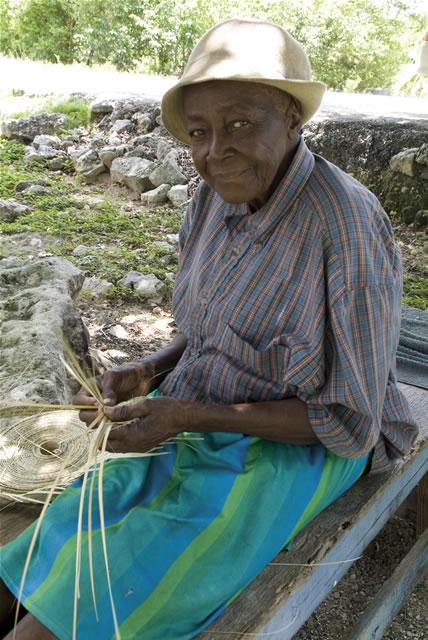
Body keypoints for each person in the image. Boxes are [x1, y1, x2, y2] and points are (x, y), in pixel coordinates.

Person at [0, 17, 418, 640]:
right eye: (200, 132)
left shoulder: (346, 227)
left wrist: (185, 414)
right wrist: (150, 369)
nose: (215, 150)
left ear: (294, 119)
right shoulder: (210, 197)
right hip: (200, 407)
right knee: (45, 551)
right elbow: (207, 331)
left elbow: (351, 421)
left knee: (106, 593)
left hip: (303, 445)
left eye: (241, 124)